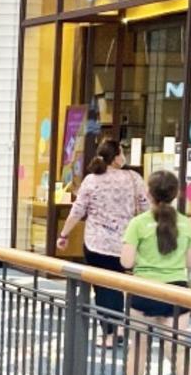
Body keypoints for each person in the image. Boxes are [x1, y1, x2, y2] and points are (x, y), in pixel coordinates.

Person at [118, 170, 191, 375]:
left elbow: (126, 261)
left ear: (148, 194)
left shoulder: (138, 223)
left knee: (138, 348)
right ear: (175, 195)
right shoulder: (187, 224)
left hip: (144, 291)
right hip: (177, 293)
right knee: (177, 352)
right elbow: (190, 262)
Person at [56, 140, 149, 347]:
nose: (123, 156)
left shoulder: (92, 180)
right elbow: (146, 207)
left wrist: (64, 234)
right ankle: (119, 328)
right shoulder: (134, 178)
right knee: (117, 285)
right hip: (125, 244)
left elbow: (78, 210)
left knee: (102, 288)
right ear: (116, 157)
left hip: (96, 244)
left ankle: (110, 332)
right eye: (122, 152)